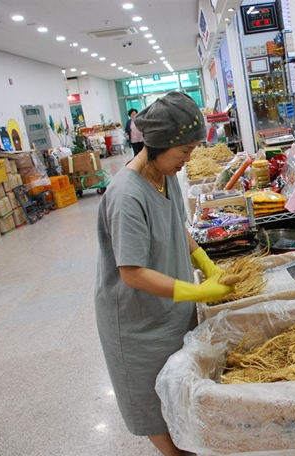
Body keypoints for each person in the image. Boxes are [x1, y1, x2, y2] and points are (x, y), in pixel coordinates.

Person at [95, 91, 232, 456]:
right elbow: (133, 273)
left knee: (178, 394)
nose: (188, 161)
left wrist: (204, 261)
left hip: (169, 310)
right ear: (157, 145)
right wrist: (197, 292)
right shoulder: (126, 194)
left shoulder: (164, 174)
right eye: (184, 152)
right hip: (138, 322)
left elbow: (176, 225)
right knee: (153, 404)